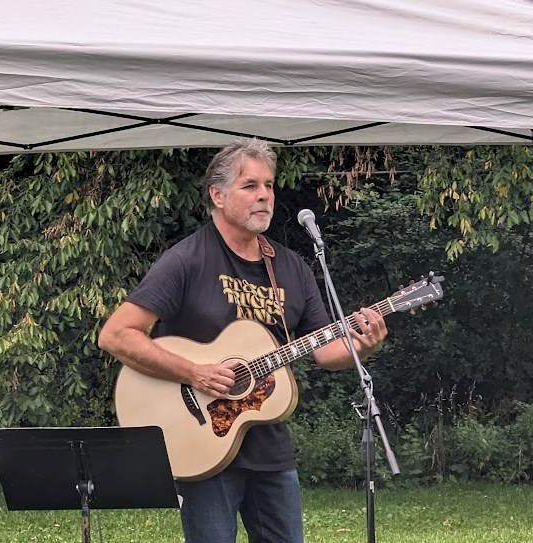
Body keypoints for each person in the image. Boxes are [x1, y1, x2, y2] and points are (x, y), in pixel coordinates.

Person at [98, 138, 388, 543]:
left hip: (269, 446)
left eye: (269, 186)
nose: (265, 196)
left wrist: (362, 346)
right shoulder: (186, 260)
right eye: (250, 186)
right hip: (202, 442)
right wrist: (195, 372)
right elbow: (115, 335)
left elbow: (323, 350)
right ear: (217, 195)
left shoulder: (292, 268)